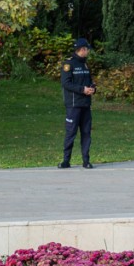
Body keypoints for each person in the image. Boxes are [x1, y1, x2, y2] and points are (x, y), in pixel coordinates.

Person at [59, 38, 96, 169]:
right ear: (82, 49)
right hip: (74, 105)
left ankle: (86, 161)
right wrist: (82, 90)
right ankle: (66, 160)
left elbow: (90, 80)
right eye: (87, 49)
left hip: (86, 104)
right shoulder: (69, 64)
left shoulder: (85, 65)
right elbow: (66, 83)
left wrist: (92, 88)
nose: (88, 52)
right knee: (71, 133)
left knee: (86, 133)